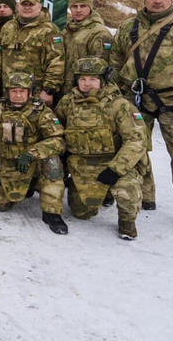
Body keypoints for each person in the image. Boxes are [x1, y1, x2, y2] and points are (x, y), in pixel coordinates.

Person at [55, 57, 149, 240]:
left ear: (102, 80)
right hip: (82, 164)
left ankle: (127, 220)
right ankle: (103, 193)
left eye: (92, 79)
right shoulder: (68, 102)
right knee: (81, 213)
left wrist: (116, 169)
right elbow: (56, 131)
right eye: (82, 79)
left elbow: (136, 140)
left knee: (125, 191)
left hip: (113, 162)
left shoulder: (119, 105)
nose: (87, 84)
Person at [111, 0, 173, 209]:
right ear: (145, 0)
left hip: (172, 100)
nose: (157, 1)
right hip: (136, 98)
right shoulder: (129, 26)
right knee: (136, 149)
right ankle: (145, 197)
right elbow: (117, 59)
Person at [0, 72, 68, 234]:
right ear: (7, 93)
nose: (18, 95)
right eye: (14, 91)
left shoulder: (41, 111)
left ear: (29, 93)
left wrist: (32, 154)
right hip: (8, 162)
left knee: (53, 163)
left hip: (35, 162)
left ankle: (52, 212)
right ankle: (25, 186)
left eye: (22, 91)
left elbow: (58, 140)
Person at [0, 0, 65, 107]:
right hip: (9, 91)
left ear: (39, 7)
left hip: (35, 93)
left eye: (31, 5)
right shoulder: (8, 27)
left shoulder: (49, 30)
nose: (27, 8)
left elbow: (57, 61)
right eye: (24, 4)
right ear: (18, 7)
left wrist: (49, 90)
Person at [61, 0, 112, 95]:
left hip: (85, 91)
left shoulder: (99, 32)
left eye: (83, 6)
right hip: (64, 91)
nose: (78, 10)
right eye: (74, 6)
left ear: (90, 8)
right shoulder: (66, 31)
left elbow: (100, 68)